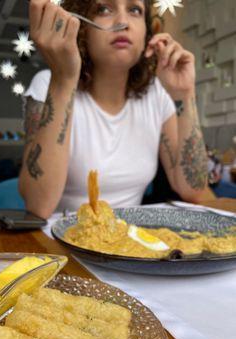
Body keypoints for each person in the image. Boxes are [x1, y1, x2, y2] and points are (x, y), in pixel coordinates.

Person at [19, 0, 208, 219]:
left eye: (135, 10)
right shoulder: (46, 84)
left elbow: (192, 189)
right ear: (81, 27)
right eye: (103, 9)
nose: (122, 22)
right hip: (62, 242)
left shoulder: (156, 94)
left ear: (147, 32)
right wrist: (63, 79)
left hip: (130, 242)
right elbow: (37, 206)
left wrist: (184, 93)